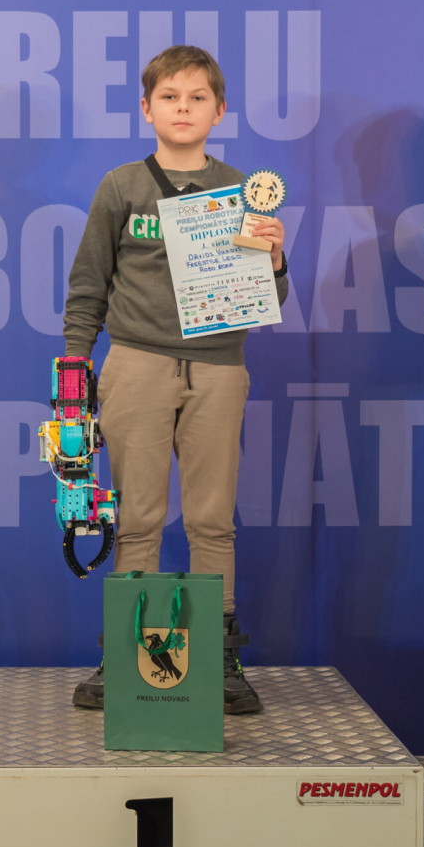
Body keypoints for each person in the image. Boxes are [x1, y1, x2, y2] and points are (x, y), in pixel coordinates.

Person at [63, 45, 289, 714]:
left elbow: (265, 297)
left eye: (197, 98)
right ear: (146, 108)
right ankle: (128, 651)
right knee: (137, 516)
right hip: (136, 364)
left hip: (219, 367)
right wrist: (75, 371)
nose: (183, 108)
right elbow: (88, 285)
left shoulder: (243, 190)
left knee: (213, 517)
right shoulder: (121, 187)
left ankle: (217, 655)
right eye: (169, 97)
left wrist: (276, 260)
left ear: (220, 110)